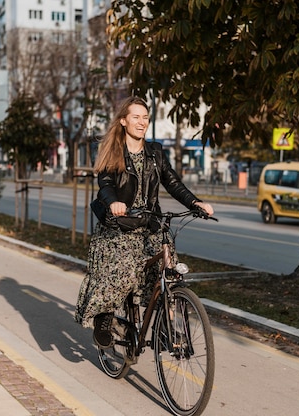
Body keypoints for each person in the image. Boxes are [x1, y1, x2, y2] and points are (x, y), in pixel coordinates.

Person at [74, 96, 214, 348]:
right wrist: (114, 203)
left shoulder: (156, 152)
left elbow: (172, 182)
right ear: (124, 121)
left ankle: (166, 328)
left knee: (168, 270)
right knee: (125, 267)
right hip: (119, 225)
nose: (141, 122)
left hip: (149, 224)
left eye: (145, 118)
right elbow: (104, 185)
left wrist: (195, 203)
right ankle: (104, 319)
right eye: (136, 117)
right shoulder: (113, 150)